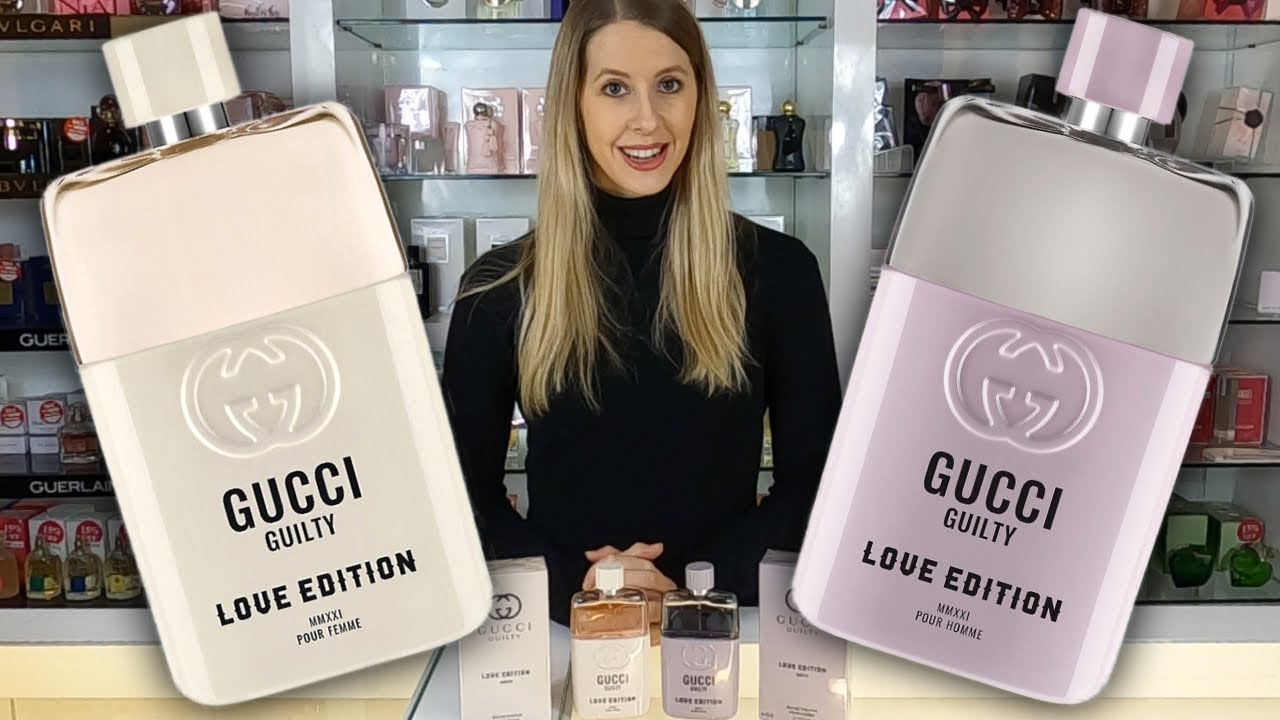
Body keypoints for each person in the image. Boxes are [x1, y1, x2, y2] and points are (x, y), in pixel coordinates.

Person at [442, 0, 841, 625]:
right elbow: (461, 499)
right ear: (573, 104)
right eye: (615, 89)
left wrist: (690, 590)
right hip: (558, 631)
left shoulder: (780, 272)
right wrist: (582, 590)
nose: (647, 119)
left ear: (700, 98)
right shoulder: (496, 289)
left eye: (670, 85)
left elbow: (819, 484)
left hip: (729, 625)